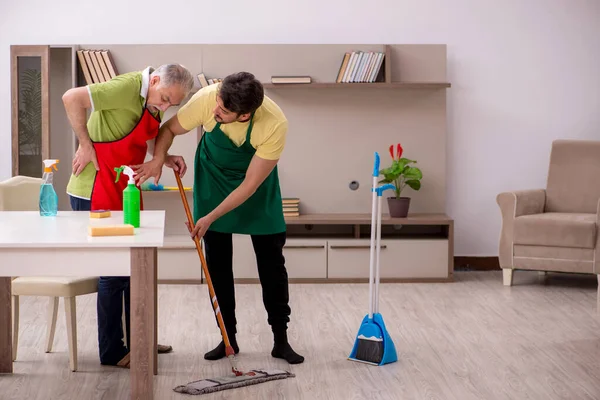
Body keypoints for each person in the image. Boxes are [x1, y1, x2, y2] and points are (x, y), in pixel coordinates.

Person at [134, 71, 304, 364]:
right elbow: (169, 130)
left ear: (244, 115)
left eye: (223, 111)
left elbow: (251, 184)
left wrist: (210, 217)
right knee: (218, 262)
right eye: (218, 103)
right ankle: (229, 339)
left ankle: (281, 339)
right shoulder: (209, 98)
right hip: (213, 180)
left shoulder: (274, 124)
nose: (215, 111)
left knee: (271, 260)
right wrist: (160, 159)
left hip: (255, 188)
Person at [62, 64, 194, 367]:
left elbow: (142, 140)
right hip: (95, 186)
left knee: (137, 267)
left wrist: (165, 157)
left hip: (124, 188)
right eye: (164, 98)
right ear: (156, 80)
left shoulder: (151, 98)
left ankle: (140, 340)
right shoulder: (126, 87)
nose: (164, 106)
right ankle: (113, 351)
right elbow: (71, 97)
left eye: (171, 103)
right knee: (114, 272)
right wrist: (85, 143)